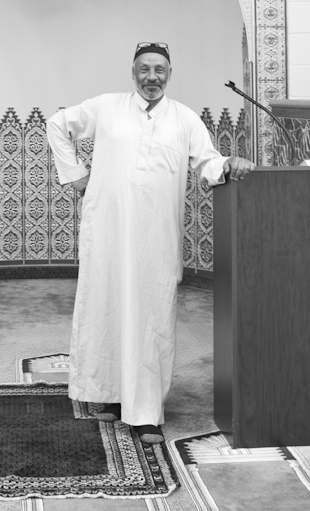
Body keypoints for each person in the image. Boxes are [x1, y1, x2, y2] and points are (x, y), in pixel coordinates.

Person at [47, 41, 256, 444]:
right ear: (133, 73)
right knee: (106, 307)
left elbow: (207, 162)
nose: (152, 77)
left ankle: (145, 412)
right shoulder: (107, 107)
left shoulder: (184, 119)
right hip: (108, 229)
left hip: (156, 236)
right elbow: (57, 124)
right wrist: (75, 175)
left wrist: (228, 163)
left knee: (150, 317)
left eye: (159, 70)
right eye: (144, 69)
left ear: (169, 74)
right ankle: (110, 395)